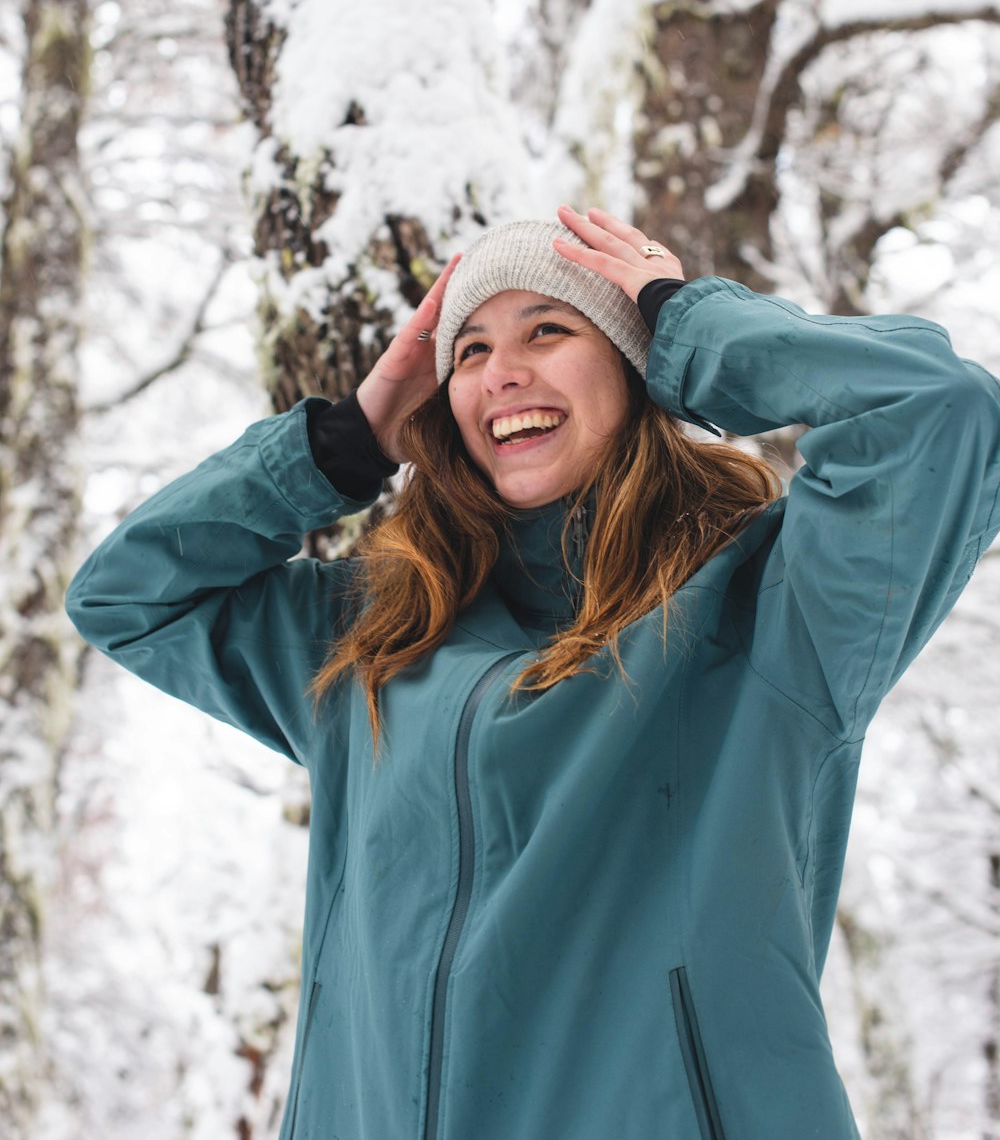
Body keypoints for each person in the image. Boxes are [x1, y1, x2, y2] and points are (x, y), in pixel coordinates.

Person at [67, 205, 1000, 1140]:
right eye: (469, 352)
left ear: (636, 370)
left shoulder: (773, 611)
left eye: (549, 330)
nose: (502, 371)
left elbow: (939, 410)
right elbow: (129, 594)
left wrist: (685, 320)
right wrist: (346, 441)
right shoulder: (373, 636)